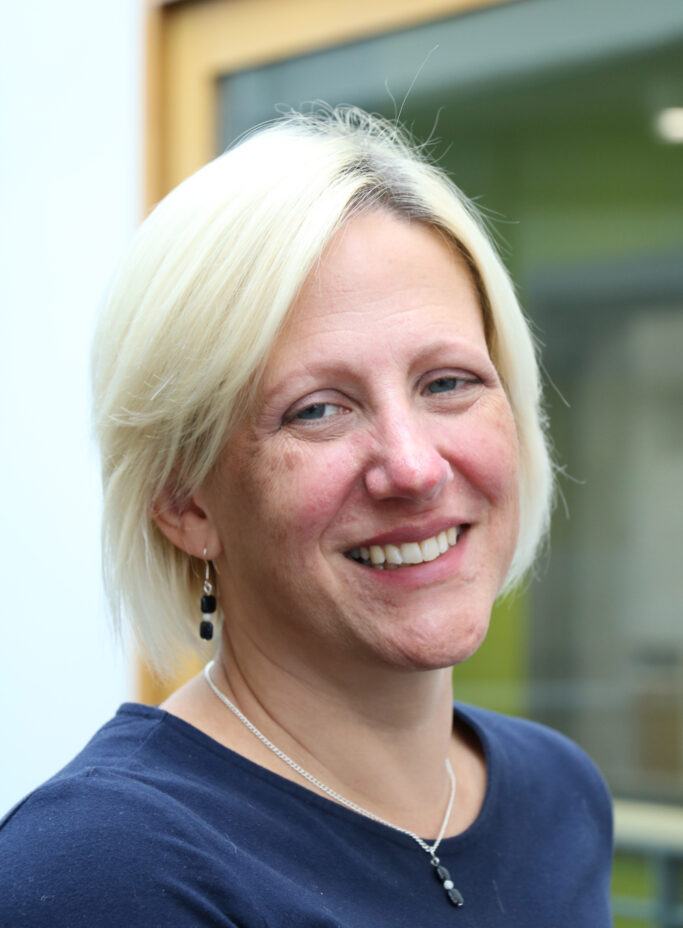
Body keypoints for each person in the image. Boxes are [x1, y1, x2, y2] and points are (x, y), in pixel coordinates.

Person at [0, 107, 613, 926]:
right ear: (182, 501)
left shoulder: (559, 793)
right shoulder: (105, 872)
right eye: (317, 409)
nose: (413, 468)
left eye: (446, 383)